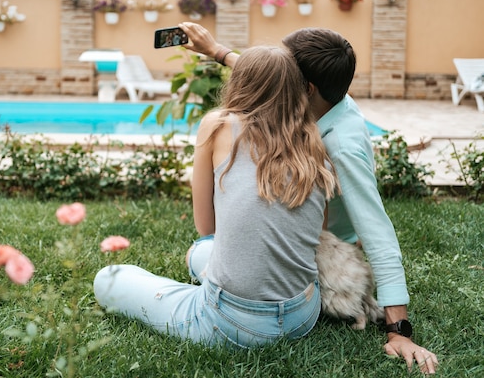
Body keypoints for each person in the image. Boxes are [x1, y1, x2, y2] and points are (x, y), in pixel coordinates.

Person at [178, 22, 439, 374]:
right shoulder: (332, 98)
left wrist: (399, 331)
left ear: (307, 87)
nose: (278, 75)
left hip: (319, 251)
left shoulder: (340, 146)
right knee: (200, 254)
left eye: (287, 70)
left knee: (204, 251)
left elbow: (379, 234)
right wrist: (217, 52)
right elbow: (268, 79)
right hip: (294, 249)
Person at [94, 46, 337, 348]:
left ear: (239, 82)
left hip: (230, 320)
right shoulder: (315, 142)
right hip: (302, 313)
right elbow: (317, 234)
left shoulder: (218, 124)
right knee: (199, 253)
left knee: (109, 278)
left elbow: (206, 226)